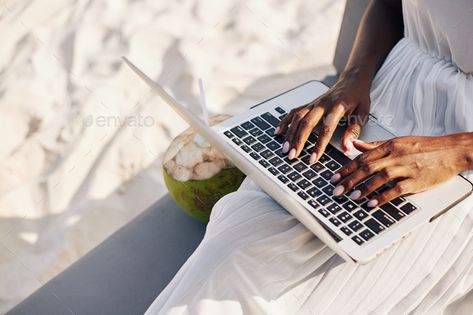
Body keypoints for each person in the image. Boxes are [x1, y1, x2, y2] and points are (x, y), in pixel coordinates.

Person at [146, 0, 473, 314]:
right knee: (230, 260)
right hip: (382, 92)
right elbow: (389, 4)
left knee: (294, 295)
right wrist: (352, 77)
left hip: (460, 156)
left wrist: (455, 151)